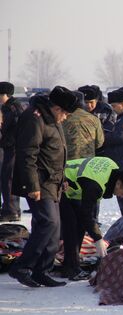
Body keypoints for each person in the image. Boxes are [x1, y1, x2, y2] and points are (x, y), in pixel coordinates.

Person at [9, 86, 79, 288]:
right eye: (64, 113)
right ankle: (22, 266)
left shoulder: (51, 119)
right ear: (56, 107)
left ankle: (42, 270)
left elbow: (57, 152)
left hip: (53, 181)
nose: (65, 118)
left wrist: (63, 178)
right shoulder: (35, 118)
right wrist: (32, 185)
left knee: (53, 227)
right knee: (48, 222)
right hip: (39, 181)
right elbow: (27, 154)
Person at [60, 156, 123, 280]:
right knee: (71, 225)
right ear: (119, 183)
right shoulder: (96, 185)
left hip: (71, 186)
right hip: (61, 184)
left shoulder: (112, 167)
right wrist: (97, 238)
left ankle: (72, 264)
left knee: (80, 225)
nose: (121, 197)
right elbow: (87, 214)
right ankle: (70, 268)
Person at [0, 82, 24, 222]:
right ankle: (10, 208)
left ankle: (11, 210)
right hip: (10, 147)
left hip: (13, 148)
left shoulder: (13, 108)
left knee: (8, 179)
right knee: (7, 179)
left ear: (5, 95)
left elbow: (10, 128)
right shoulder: (9, 107)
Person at [62, 92, 104, 160]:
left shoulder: (62, 118)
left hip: (68, 161)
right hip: (87, 161)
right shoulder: (94, 119)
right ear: (82, 103)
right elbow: (99, 143)